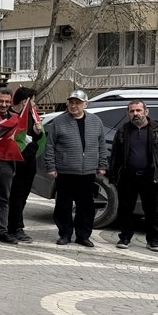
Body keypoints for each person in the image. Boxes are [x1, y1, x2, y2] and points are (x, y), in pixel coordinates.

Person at [43, 89, 107, 247]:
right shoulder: (59, 122)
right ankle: (65, 234)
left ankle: (83, 236)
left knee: (86, 206)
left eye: (77, 103)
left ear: (86, 104)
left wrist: (102, 165)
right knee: (63, 205)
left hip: (88, 172)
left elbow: (102, 145)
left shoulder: (95, 121)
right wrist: (51, 166)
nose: (73, 106)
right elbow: (50, 146)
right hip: (65, 171)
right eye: (71, 102)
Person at [109, 100, 158, 252]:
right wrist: (112, 176)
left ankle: (153, 240)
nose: (135, 114)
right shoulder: (123, 131)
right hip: (127, 176)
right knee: (125, 209)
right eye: (132, 111)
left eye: (138, 110)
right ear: (128, 114)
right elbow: (115, 156)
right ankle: (125, 237)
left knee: (152, 210)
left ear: (146, 111)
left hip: (150, 177)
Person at [6, 87, 42, 243]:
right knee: (16, 195)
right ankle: (15, 228)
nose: (34, 104)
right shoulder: (9, 115)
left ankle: (14, 225)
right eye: (33, 100)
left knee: (24, 195)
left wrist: (37, 131)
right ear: (24, 101)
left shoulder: (32, 115)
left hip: (30, 160)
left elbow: (35, 137)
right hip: (14, 161)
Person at [0, 87, 19, 244]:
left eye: (7, 102)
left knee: (4, 199)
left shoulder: (15, 118)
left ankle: (2, 231)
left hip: (7, 164)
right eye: (1, 101)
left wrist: (36, 132)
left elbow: (21, 139)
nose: (4, 104)